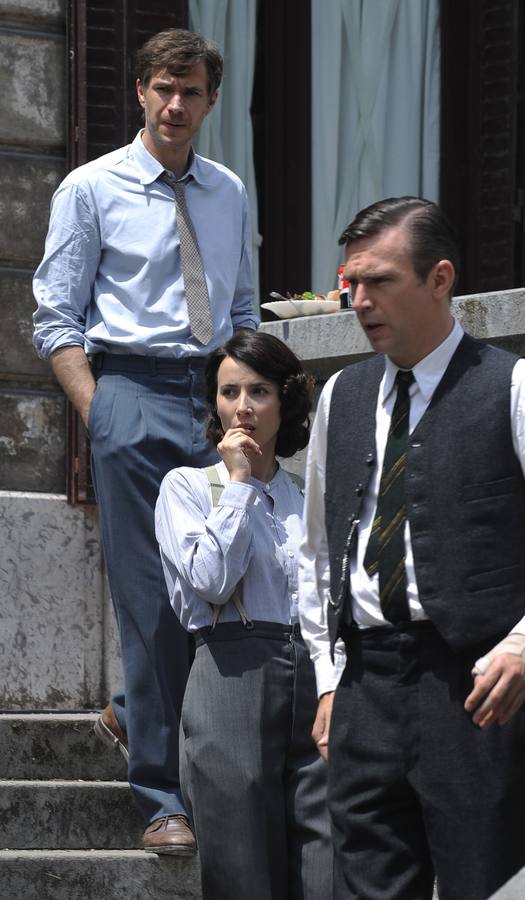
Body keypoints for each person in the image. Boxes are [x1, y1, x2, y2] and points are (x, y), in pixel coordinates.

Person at [32, 28, 257, 853]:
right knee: (148, 599)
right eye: (162, 88)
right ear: (138, 91)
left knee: (221, 586)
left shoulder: (229, 190)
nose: (174, 105)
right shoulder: (89, 189)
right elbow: (54, 317)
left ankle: (130, 713)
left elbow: (240, 311)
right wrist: (101, 413)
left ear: (209, 100)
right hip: (127, 387)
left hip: (210, 396)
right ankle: (161, 798)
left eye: (190, 91)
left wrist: (242, 406)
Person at [299, 196, 525, 900]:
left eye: (380, 282)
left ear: (439, 279)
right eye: (351, 283)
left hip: (473, 686)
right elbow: (314, 550)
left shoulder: (509, 386)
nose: (359, 301)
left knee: (480, 884)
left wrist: (522, 645)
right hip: (365, 685)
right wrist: (329, 676)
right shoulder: (339, 395)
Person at [155, 329, 332, 900]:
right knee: (241, 871)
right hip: (230, 671)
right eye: (229, 392)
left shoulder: (310, 494)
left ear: (285, 401)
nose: (243, 407)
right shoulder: (187, 487)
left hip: (313, 673)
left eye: (258, 391)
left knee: (326, 866)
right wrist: (238, 485)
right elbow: (210, 582)